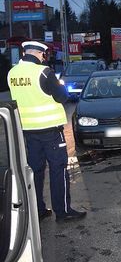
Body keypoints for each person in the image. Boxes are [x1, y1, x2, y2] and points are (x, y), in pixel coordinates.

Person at [7, 41, 87, 222]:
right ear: (38, 53)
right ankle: (63, 211)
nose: (44, 57)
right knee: (58, 169)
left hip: (28, 131)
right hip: (50, 131)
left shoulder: (12, 73)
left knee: (35, 170)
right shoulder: (43, 72)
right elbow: (62, 96)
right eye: (44, 54)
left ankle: (38, 209)